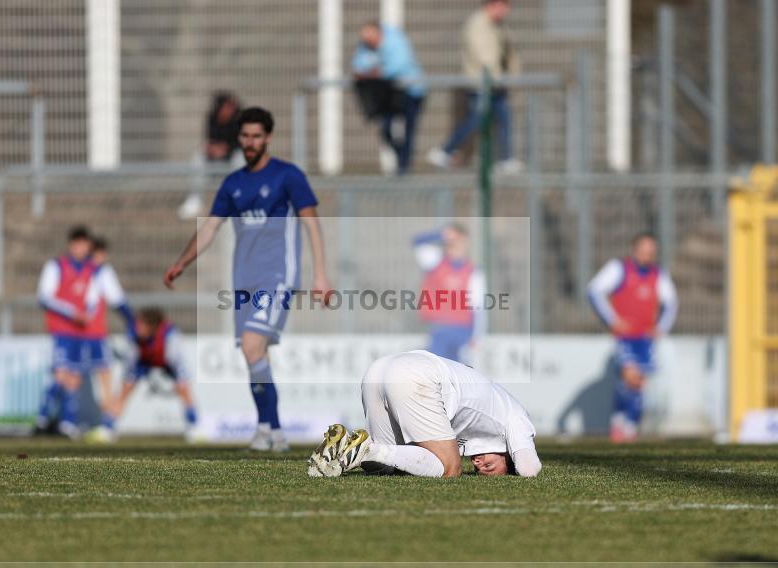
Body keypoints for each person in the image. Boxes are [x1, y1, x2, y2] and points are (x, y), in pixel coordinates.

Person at [164, 107, 331, 452]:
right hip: (244, 281)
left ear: (268, 137)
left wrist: (320, 275)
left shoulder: (288, 176)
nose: (250, 142)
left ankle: (269, 432)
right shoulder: (233, 183)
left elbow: (311, 223)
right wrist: (182, 261)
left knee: (253, 345)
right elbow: (210, 227)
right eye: (245, 136)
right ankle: (272, 432)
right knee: (255, 356)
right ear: (238, 138)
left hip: (278, 277)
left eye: (257, 136)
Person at [307, 350, 541, 478]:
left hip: (379, 370)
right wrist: (515, 468)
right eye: (501, 468)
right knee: (450, 468)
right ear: (510, 454)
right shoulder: (515, 413)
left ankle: (340, 448)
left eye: (477, 468)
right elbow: (529, 468)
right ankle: (367, 448)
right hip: (415, 374)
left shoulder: (487, 412)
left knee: (382, 469)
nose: (478, 465)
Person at [587, 233, 679, 443]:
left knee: (636, 384)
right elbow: (594, 291)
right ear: (634, 249)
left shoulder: (658, 274)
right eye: (643, 250)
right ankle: (625, 426)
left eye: (651, 251)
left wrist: (661, 327)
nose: (647, 255)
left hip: (645, 339)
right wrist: (612, 320)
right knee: (631, 376)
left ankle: (624, 424)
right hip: (625, 337)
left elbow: (671, 302)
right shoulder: (618, 269)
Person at [427, 0, 522, 174]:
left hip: (496, 84)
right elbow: (486, 57)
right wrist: (498, 77)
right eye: (502, 6)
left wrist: (510, 76)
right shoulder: (478, 24)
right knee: (476, 119)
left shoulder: (499, 25)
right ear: (491, 5)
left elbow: (509, 52)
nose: (506, 10)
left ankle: (506, 159)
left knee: (503, 119)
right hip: (482, 84)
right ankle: (444, 151)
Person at [86, 307, 203, 444]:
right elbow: (131, 359)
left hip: (166, 361)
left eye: (141, 325)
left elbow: (178, 362)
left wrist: (180, 380)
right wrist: (129, 377)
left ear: (152, 327)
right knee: (124, 390)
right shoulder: (133, 334)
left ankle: (195, 428)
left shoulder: (170, 336)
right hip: (141, 360)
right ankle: (107, 429)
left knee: (183, 389)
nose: (138, 327)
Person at [35, 225, 101, 439]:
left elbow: (93, 298)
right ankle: (42, 420)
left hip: (81, 332)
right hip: (61, 330)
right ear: (71, 245)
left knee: (74, 379)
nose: (81, 248)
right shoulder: (56, 266)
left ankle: (67, 424)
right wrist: (72, 312)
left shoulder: (92, 270)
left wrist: (88, 314)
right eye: (77, 243)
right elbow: (44, 297)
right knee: (61, 375)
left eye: (84, 244)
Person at [351, 20, 426, 176]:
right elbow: (358, 65)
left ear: (379, 34)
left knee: (408, 130)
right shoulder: (366, 46)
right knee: (386, 129)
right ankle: (401, 158)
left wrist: (373, 72)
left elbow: (397, 66)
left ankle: (404, 166)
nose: (369, 43)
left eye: (371, 39)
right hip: (388, 94)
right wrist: (372, 71)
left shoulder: (396, 41)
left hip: (411, 92)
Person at [413, 223, 486, 364]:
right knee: (436, 370)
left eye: (460, 242)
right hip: (439, 330)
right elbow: (417, 242)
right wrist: (441, 234)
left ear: (466, 244)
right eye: (453, 242)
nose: (456, 246)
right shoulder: (435, 262)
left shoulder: (473, 272)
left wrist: (477, 336)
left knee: (460, 372)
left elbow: (478, 308)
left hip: (462, 331)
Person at [85, 237, 135, 416]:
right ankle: (107, 417)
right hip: (88, 333)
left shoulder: (90, 272)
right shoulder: (99, 272)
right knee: (101, 373)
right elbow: (117, 300)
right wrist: (132, 320)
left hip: (82, 333)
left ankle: (106, 418)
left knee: (99, 374)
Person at [205, 91, 243, 168]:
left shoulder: (239, 119)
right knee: (198, 158)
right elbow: (211, 139)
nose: (231, 110)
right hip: (217, 153)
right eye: (227, 107)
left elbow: (242, 142)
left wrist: (227, 148)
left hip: (235, 153)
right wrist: (212, 148)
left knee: (240, 158)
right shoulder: (212, 119)